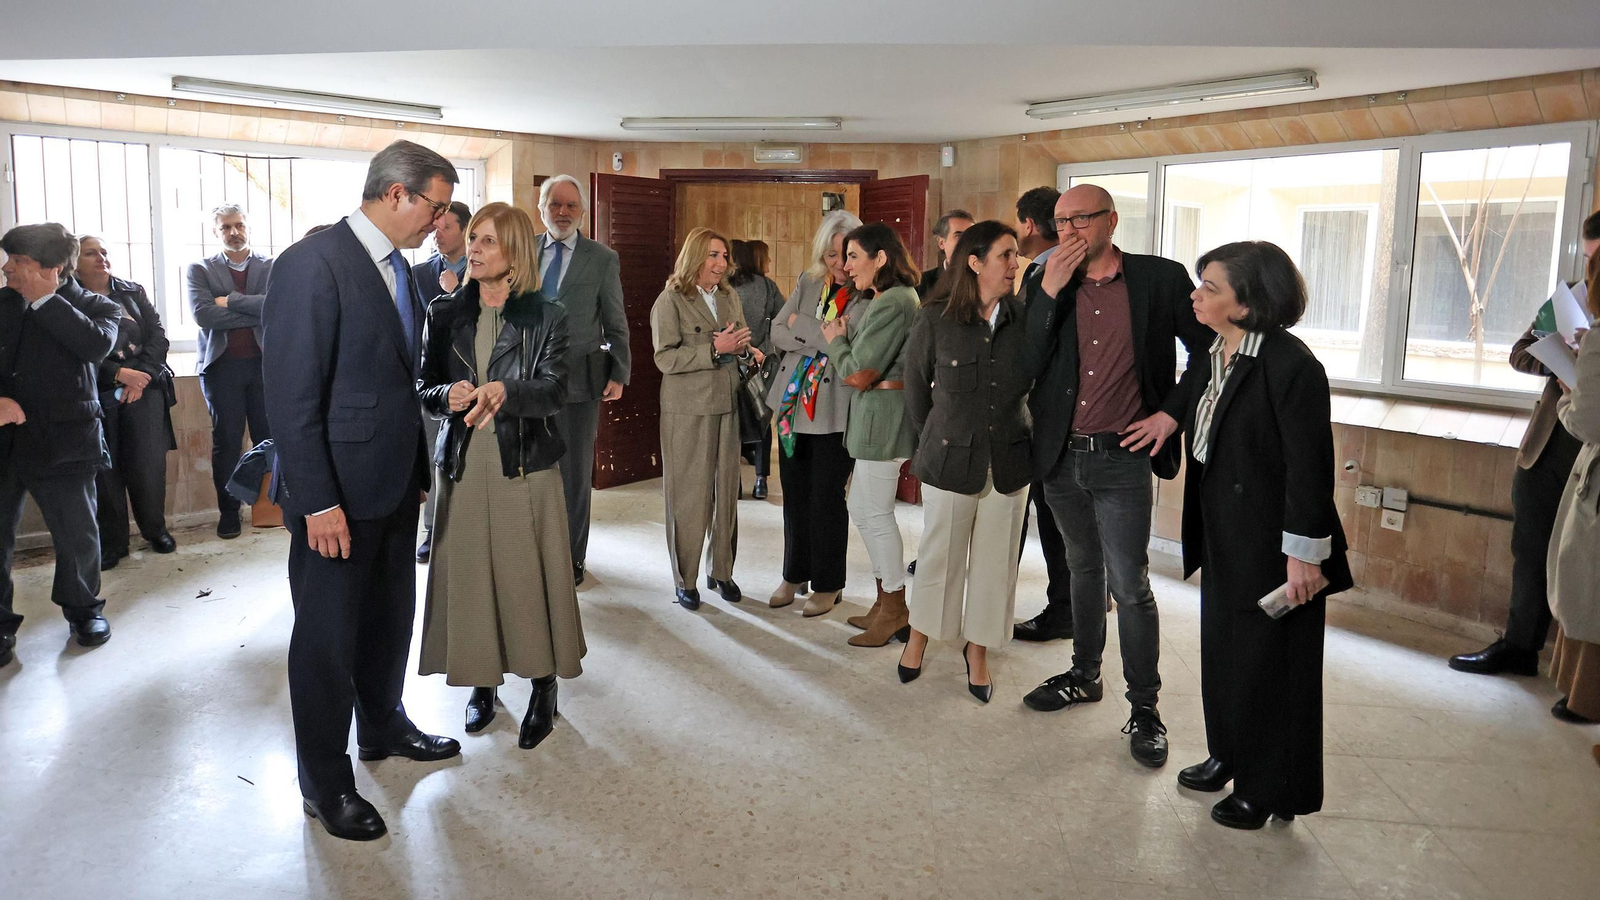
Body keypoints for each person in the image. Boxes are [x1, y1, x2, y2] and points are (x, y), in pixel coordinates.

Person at [262, 140, 462, 842]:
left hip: (391, 484)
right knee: (325, 643)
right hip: (336, 500)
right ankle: (324, 781)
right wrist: (317, 501)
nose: (442, 224)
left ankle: (383, 727)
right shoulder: (311, 265)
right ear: (396, 194)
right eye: (435, 208)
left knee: (387, 622)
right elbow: (291, 398)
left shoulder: (401, 271)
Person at [1018, 184, 1214, 769]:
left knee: (1130, 584)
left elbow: (1209, 350)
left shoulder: (1159, 278)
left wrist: (1171, 414)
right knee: (1081, 568)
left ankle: (1146, 707)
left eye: (1080, 219)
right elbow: (1024, 364)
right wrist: (1049, 291)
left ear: (1111, 221)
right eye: (1060, 222)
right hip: (1058, 455)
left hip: (1123, 456)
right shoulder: (1042, 280)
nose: (1069, 231)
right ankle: (1084, 674)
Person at [1172, 240, 1352, 829]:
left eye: (1210, 287)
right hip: (1225, 529)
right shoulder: (1215, 350)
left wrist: (1303, 557)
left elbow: (1309, 468)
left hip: (1276, 544)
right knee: (1224, 652)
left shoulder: (1291, 365)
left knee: (1272, 667)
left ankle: (1269, 785)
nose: (1196, 295)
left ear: (1247, 303)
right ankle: (1229, 752)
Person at [417, 202, 584, 749]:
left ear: (514, 252)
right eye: (473, 239)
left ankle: (543, 685)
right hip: (463, 462)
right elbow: (424, 387)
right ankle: (482, 685)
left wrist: (507, 391)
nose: (475, 249)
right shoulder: (444, 313)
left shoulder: (549, 315)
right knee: (471, 573)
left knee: (524, 575)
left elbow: (557, 390)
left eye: (487, 241)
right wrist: (450, 394)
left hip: (523, 462)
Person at [1451, 208, 1600, 676]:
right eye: (1589, 256)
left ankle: (1579, 671)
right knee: (1531, 545)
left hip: (1593, 443)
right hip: (1548, 442)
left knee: (1584, 559)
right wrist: (1565, 361)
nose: (1591, 269)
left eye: (1598, 258)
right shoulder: (1574, 296)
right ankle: (1519, 647)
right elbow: (1520, 352)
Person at [897, 221, 1033, 702]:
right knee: (940, 557)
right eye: (1005, 255)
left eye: (1016, 256)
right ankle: (919, 637)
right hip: (950, 459)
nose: (1015, 265)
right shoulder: (935, 318)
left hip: (1010, 463)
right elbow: (916, 390)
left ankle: (978, 651)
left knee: (997, 566)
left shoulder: (1023, 318)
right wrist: (936, 437)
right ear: (974, 262)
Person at [0, 223, 121, 664]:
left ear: (53, 269)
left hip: (66, 439)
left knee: (77, 535)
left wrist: (46, 302)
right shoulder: (0, 304)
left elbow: (94, 347)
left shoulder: (97, 307)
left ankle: (84, 611)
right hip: (3, 439)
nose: (7, 269)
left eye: (19, 263)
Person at [651, 227, 759, 611]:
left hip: (727, 404)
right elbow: (664, 358)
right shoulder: (670, 300)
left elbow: (738, 342)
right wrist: (713, 351)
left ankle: (722, 572)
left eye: (725, 256)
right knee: (688, 497)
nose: (721, 263)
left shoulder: (729, 296)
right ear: (696, 257)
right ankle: (686, 580)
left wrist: (749, 352)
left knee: (727, 492)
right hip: (687, 409)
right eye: (713, 255)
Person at [823, 223, 920, 647]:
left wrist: (835, 341)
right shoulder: (886, 298)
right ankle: (885, 602)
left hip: (886, 421)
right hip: (876, 419)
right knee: (862, 509)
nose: (846, 266)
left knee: (875, 515)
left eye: (853, 257)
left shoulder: (894, 301)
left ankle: (897, 608)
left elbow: (860, 373)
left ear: (881, 258)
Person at [765, 210, 862, 616]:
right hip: (791, 407)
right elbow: (775, 331)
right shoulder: (808, 282)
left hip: (835, 409)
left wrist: (801, 329)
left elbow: (849, 346)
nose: (839, 265)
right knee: (794, 493)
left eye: (846, 256)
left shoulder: (867, 292)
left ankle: (828, 583)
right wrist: (820, 332)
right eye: (830, 256)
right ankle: (794, 574)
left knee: (826, 496)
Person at [538, 175, 630, 587]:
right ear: (542, 207)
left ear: (582, 212)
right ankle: (535, 553)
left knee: (574, 475)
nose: (562, 212)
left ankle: (573, 557)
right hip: (527, 385)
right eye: (555, 204)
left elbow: (615, 320)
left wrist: (620, 372)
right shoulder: (521, 253)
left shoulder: (602, 258)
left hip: (580, 384)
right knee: (532, 471)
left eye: (571, 206)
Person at [76, 237, 176, 571]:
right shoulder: (67, 298)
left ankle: (155, 531)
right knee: (105, 472)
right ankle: (113, 543)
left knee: (148, 465)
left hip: (145, 391)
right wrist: (118, 373)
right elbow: (72, 347)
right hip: (97, 393)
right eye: (91, 253)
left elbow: (158, 335)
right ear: (73, 261)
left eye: (104, 252)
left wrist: (141, 376)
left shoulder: (132, 291)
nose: (101, 258)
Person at [1011, 186, 1077, 643]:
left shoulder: (1053, 275)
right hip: (1044, 416)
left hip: (1053, 419)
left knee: (1057, 521)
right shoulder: (1043, 272)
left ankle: (1066, 611)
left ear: (1029, 225)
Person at [186, 205, 273, 540]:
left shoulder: (271, 265)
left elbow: (275, 307)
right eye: (226, 228)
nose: (234, 232)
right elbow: (204, 316)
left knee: (270, 439)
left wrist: (230, 301)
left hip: (265, 365)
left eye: (238, 225)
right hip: (222, 368)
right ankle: (229, 513)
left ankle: (269, 508)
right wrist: (253, 308)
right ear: (215, 232)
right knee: (227, 442)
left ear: (248, 226)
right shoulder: (200, 269)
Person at [1545, 249, 1600, 727]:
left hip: (1590, 459)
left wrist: (1570, 390)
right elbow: (1524, 348)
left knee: (1585, 581)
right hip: (1555, 453)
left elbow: (1586, 418)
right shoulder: (1567, 302)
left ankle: (1586, 698)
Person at [412, 200, 472, 564]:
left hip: (478, 382)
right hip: (435, 386)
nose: (437, 233)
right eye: (435, 226)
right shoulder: (417, 273)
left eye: (446, 226)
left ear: (465, 229)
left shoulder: (486, 271)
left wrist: (457, 291)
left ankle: (471, 526)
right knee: (436, 456)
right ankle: (433, 530)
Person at [729, 239, 785, 500]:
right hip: (761, 362)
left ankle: (735, 483)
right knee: (762, 417)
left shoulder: (725, 288)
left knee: (733, 421)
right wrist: (764, 349)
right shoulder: (767, 287)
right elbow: (782, 320)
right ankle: (761, 481)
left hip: (730, 362)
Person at [918, 209, 974, 301]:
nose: (967, 242)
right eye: (959, 236)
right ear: (941, 243)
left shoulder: (985, 281)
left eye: (971, 236)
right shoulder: (923, 283)